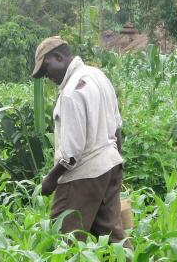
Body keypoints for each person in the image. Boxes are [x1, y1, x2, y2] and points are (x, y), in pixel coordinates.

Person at [31, 36, 129, 246]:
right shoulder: (98, 76)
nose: (46, 76)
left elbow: (72, 154)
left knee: (64, 239)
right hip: (111, 164)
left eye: (46, 68)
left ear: (58, 56)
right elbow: (117, 128)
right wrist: (116, 165)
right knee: (111, 237)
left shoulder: (70, 93)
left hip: (83, 175)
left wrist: (51, 180)